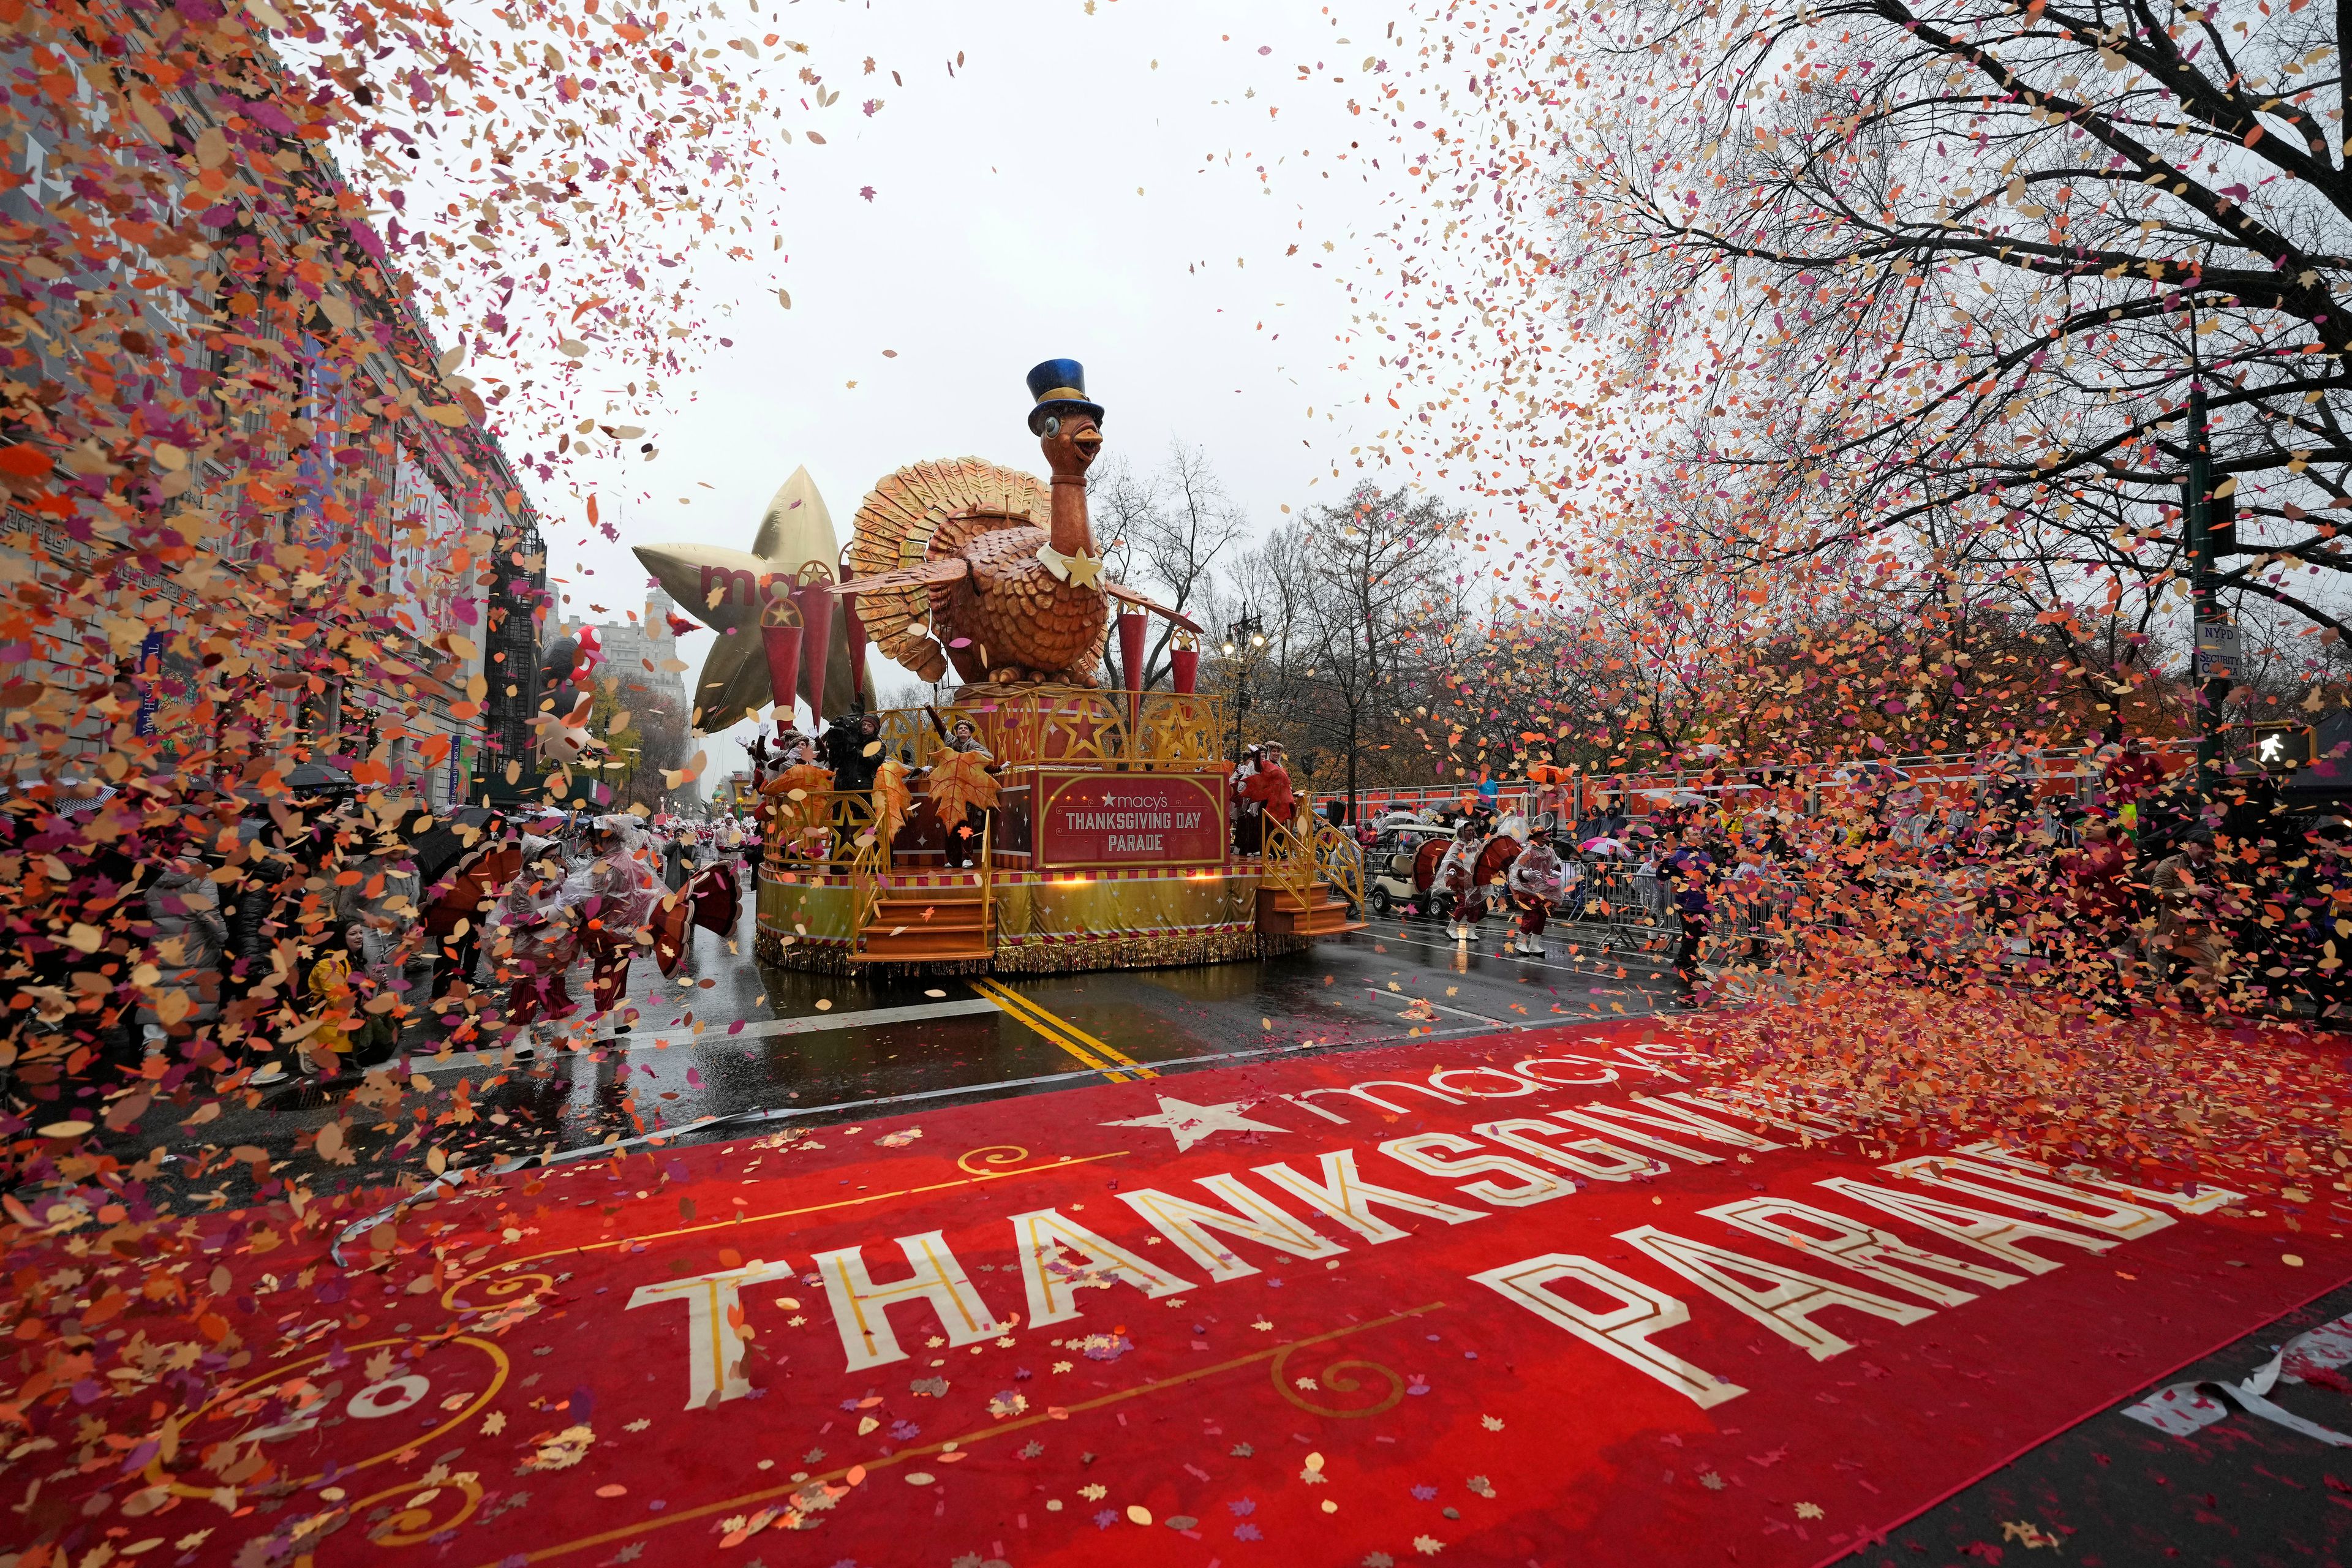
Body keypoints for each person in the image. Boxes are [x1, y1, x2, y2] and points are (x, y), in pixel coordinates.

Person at [567, 815, 660, 1023]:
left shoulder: (606, 865)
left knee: (604, 976)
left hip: (606, 931)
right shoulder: (632, 859)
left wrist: (574, 907)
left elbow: (596, 902)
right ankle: (617, 1020)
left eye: (594, 840)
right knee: (620, 971)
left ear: (606, 839)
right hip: (630, 929)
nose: (591, 845)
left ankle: (605, 1027)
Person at [1659, 822, 1717, 1001]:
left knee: (1700, 936)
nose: (1700, 837)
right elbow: (1663, 876)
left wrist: (1724, 893)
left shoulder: (1706, 855)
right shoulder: (1678, 855)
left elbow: (1715, 877)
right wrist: (1664, 862)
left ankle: (1681, 962)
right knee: (1691, 935)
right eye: (1696, 835)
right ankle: (1689, 967)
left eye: (1700, 835)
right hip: (1687, 903)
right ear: (1686, 837)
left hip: (1704, 902)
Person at [1506, 834, 1561, 956]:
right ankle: (1521, 942)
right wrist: (1527, 874)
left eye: (1545, 837)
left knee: (1542, 915)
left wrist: (1556, 873)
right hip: (1528, 891)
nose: (1544, 839)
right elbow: (1518, 870)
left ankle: (1534, 944)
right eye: (1541, 837)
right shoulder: (1528, 853)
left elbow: (1555, 865)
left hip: (1546, 890)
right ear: (1534, 838)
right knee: (1532, 915)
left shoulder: (1550, 851)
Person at [1434, 821, 1485, 940]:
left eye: (1473, 830)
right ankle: (1451, 929)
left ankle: (1471, 932)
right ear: (1462, 831)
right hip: (1462, 879)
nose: (1471, 833)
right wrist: (1452, 871)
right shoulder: (1457, 846)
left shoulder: (1477, 843)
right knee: (1464, 904)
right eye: (1469, 831)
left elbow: (1481, 857)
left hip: (1474, 878)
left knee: (1476, 905)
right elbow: (1450, 861)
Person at [1237, 741, 1295, 845]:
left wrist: (1294, 792)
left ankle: (1278, 849)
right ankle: (1268, 850)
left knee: (1279, 824)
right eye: (1274, 751)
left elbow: (1285, 785)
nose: (1276, 754)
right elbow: (1258, 768)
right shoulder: (1265, 764)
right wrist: (1256, 755)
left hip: (1280, 803)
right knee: (1268, 826)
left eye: (1278, 752)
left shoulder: (1282, 768)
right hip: (1267, 801)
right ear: (1270, 752)